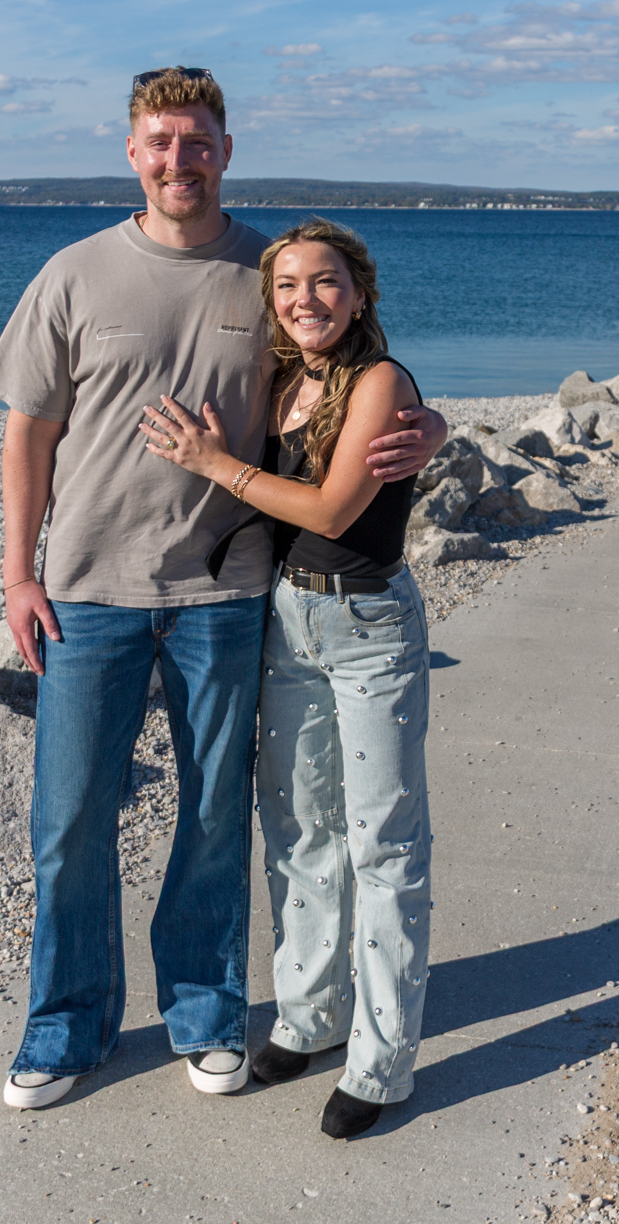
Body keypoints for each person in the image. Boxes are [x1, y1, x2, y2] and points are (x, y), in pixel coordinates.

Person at [0, 68, 446, 1115]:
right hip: (87, 588)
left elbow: (350, 372)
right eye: (160, 141)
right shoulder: (72, 273)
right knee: (69, 820)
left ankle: (204, 1013)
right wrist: (17, 571)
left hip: (229, 593)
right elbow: (27, 436)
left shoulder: (267, 273)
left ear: (226, 150)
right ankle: (66, 1026)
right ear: (131, 152)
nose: (178, 159)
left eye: (197, 141)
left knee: (216, 816)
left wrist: (431, 426)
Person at [140, 219, 433, 1141]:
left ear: (361, 291)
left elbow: (333, 510)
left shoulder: (380, 380)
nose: (307, 298)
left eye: (326, 281)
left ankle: (383, 1060)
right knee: (302, 826)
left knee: (382, 841)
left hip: (369, 623)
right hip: (289, 617)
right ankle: (310, 1015)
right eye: (289, 285)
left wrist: (213, 464)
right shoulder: (281, 379)